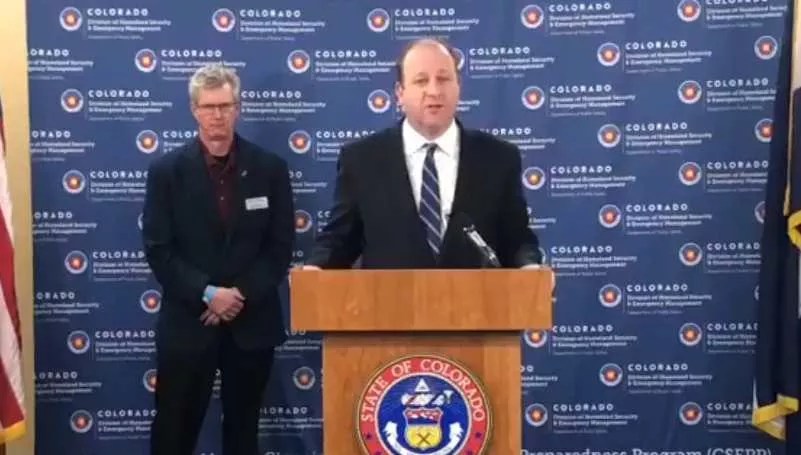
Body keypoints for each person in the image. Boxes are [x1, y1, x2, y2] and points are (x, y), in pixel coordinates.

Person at [141, 63, 294, 455]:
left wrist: (237, 294)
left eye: (225, 106)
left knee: (243, 433)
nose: (217, 115)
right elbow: (159, 249)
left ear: (238, 108)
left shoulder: (270, 169)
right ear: (194, 110)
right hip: (188, 324)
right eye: (209, 107)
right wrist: (208, 293)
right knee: (173, 432)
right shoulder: (166, 172)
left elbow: (279, 248)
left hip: (251, 322)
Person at [304, 37, 543, 269]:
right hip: (390, 296)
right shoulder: (362, 160)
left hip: (476, 297)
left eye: (443, 79)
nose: (434, 91)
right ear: (400, 93)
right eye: (421, 81)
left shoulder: (498, 158)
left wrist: (529, 268)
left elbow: (518, 240)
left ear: (458, 86)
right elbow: (340, 240)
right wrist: (316, 269)